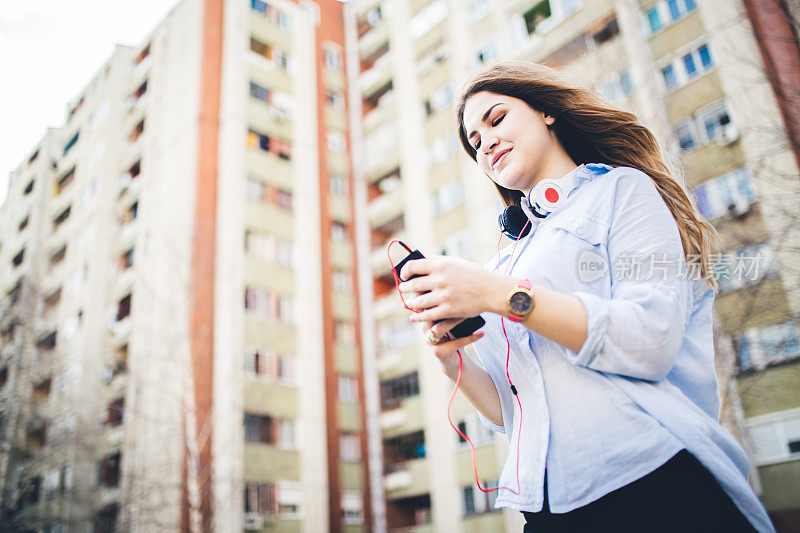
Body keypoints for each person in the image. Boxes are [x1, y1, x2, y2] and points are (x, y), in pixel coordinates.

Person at [397, 62, 773, 532]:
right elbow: (509, 410)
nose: (485, 142)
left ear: (546, 113)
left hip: (653, 481)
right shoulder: (502, 265)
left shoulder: (622, 192)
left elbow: (649, 339)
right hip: (548, 510)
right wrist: (453, 361)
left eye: (496, 120)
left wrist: (502, 295)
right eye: (474, 141)